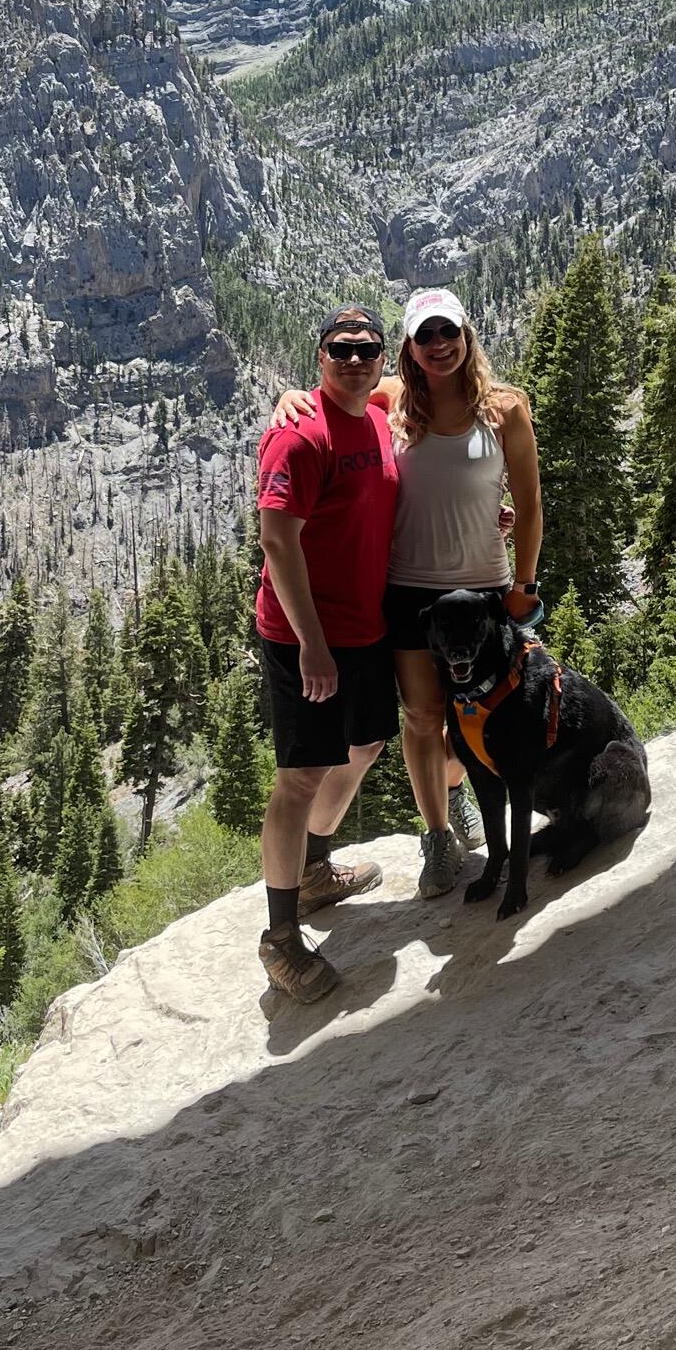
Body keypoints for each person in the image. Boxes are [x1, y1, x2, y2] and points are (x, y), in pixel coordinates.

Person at [277, 285, 542, 899]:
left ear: (466, 335)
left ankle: (468, 799)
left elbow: (528, 505)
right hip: (408, 593)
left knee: (481, 717)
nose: (439, 345)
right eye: (425, 335)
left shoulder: (505, 409)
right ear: (409, 347)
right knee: (423, 718)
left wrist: (525, 585)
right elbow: (330, 400)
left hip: (485, 592)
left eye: (448, 331)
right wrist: (287, 397)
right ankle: (439, 839)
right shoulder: (391, 399)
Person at [251, 304, 400, 1004]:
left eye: (367, 348)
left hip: (365, 625)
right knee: (301, 776)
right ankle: (279, 937)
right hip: (303, 635)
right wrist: (311, 644)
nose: (353, 359)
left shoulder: (375, 410)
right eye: (340, 349)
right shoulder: (298, 437)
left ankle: (313, 870)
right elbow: (277, 540)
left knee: (366, 743)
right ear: (319, 356)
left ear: (381, 358)